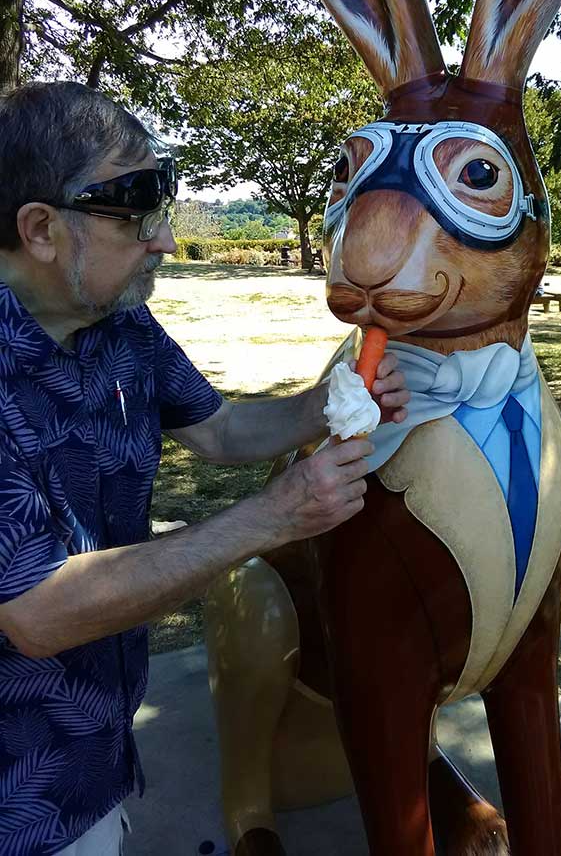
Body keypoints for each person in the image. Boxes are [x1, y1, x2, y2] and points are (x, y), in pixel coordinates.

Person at [0, 82, 410, 856]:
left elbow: (218, 429)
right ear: (42, 230)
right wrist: (275, 515)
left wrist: (325, 404)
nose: (164, 242)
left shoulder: (120, 322)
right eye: (135, 215)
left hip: (102, 755)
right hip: (22, 795)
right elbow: (37, 613)